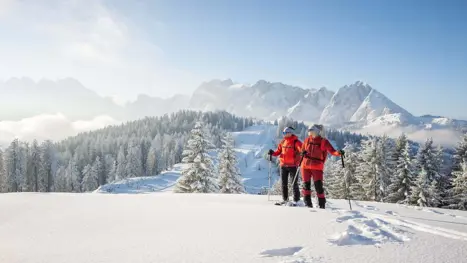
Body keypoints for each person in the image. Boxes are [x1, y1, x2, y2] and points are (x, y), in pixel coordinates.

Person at [300, 124, 344, 208]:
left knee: (318, 187)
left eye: (312, 131)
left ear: (317, 131)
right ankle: (307, 204)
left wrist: (339, 153)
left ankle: (321, 205)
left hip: (317, 167)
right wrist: (302, 153)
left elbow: (332, 151)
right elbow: (302, 150)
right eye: (309, 131)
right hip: (305, 166)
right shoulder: (307, 140)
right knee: (306, 186)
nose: (310, 133)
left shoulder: (323, 141)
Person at [268, 126, 303, 205]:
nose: (285, 134)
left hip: (293, 165)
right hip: (283, 165)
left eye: (286, 133)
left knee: (294, 183)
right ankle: (285, 199)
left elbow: (301, 148)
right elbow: (278, 151)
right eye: (284, 133)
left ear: (290, 133)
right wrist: (272, 153)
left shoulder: (296, 141)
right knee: (284, 183)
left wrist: (303, 151)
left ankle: (296, 200)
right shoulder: (283, 142)